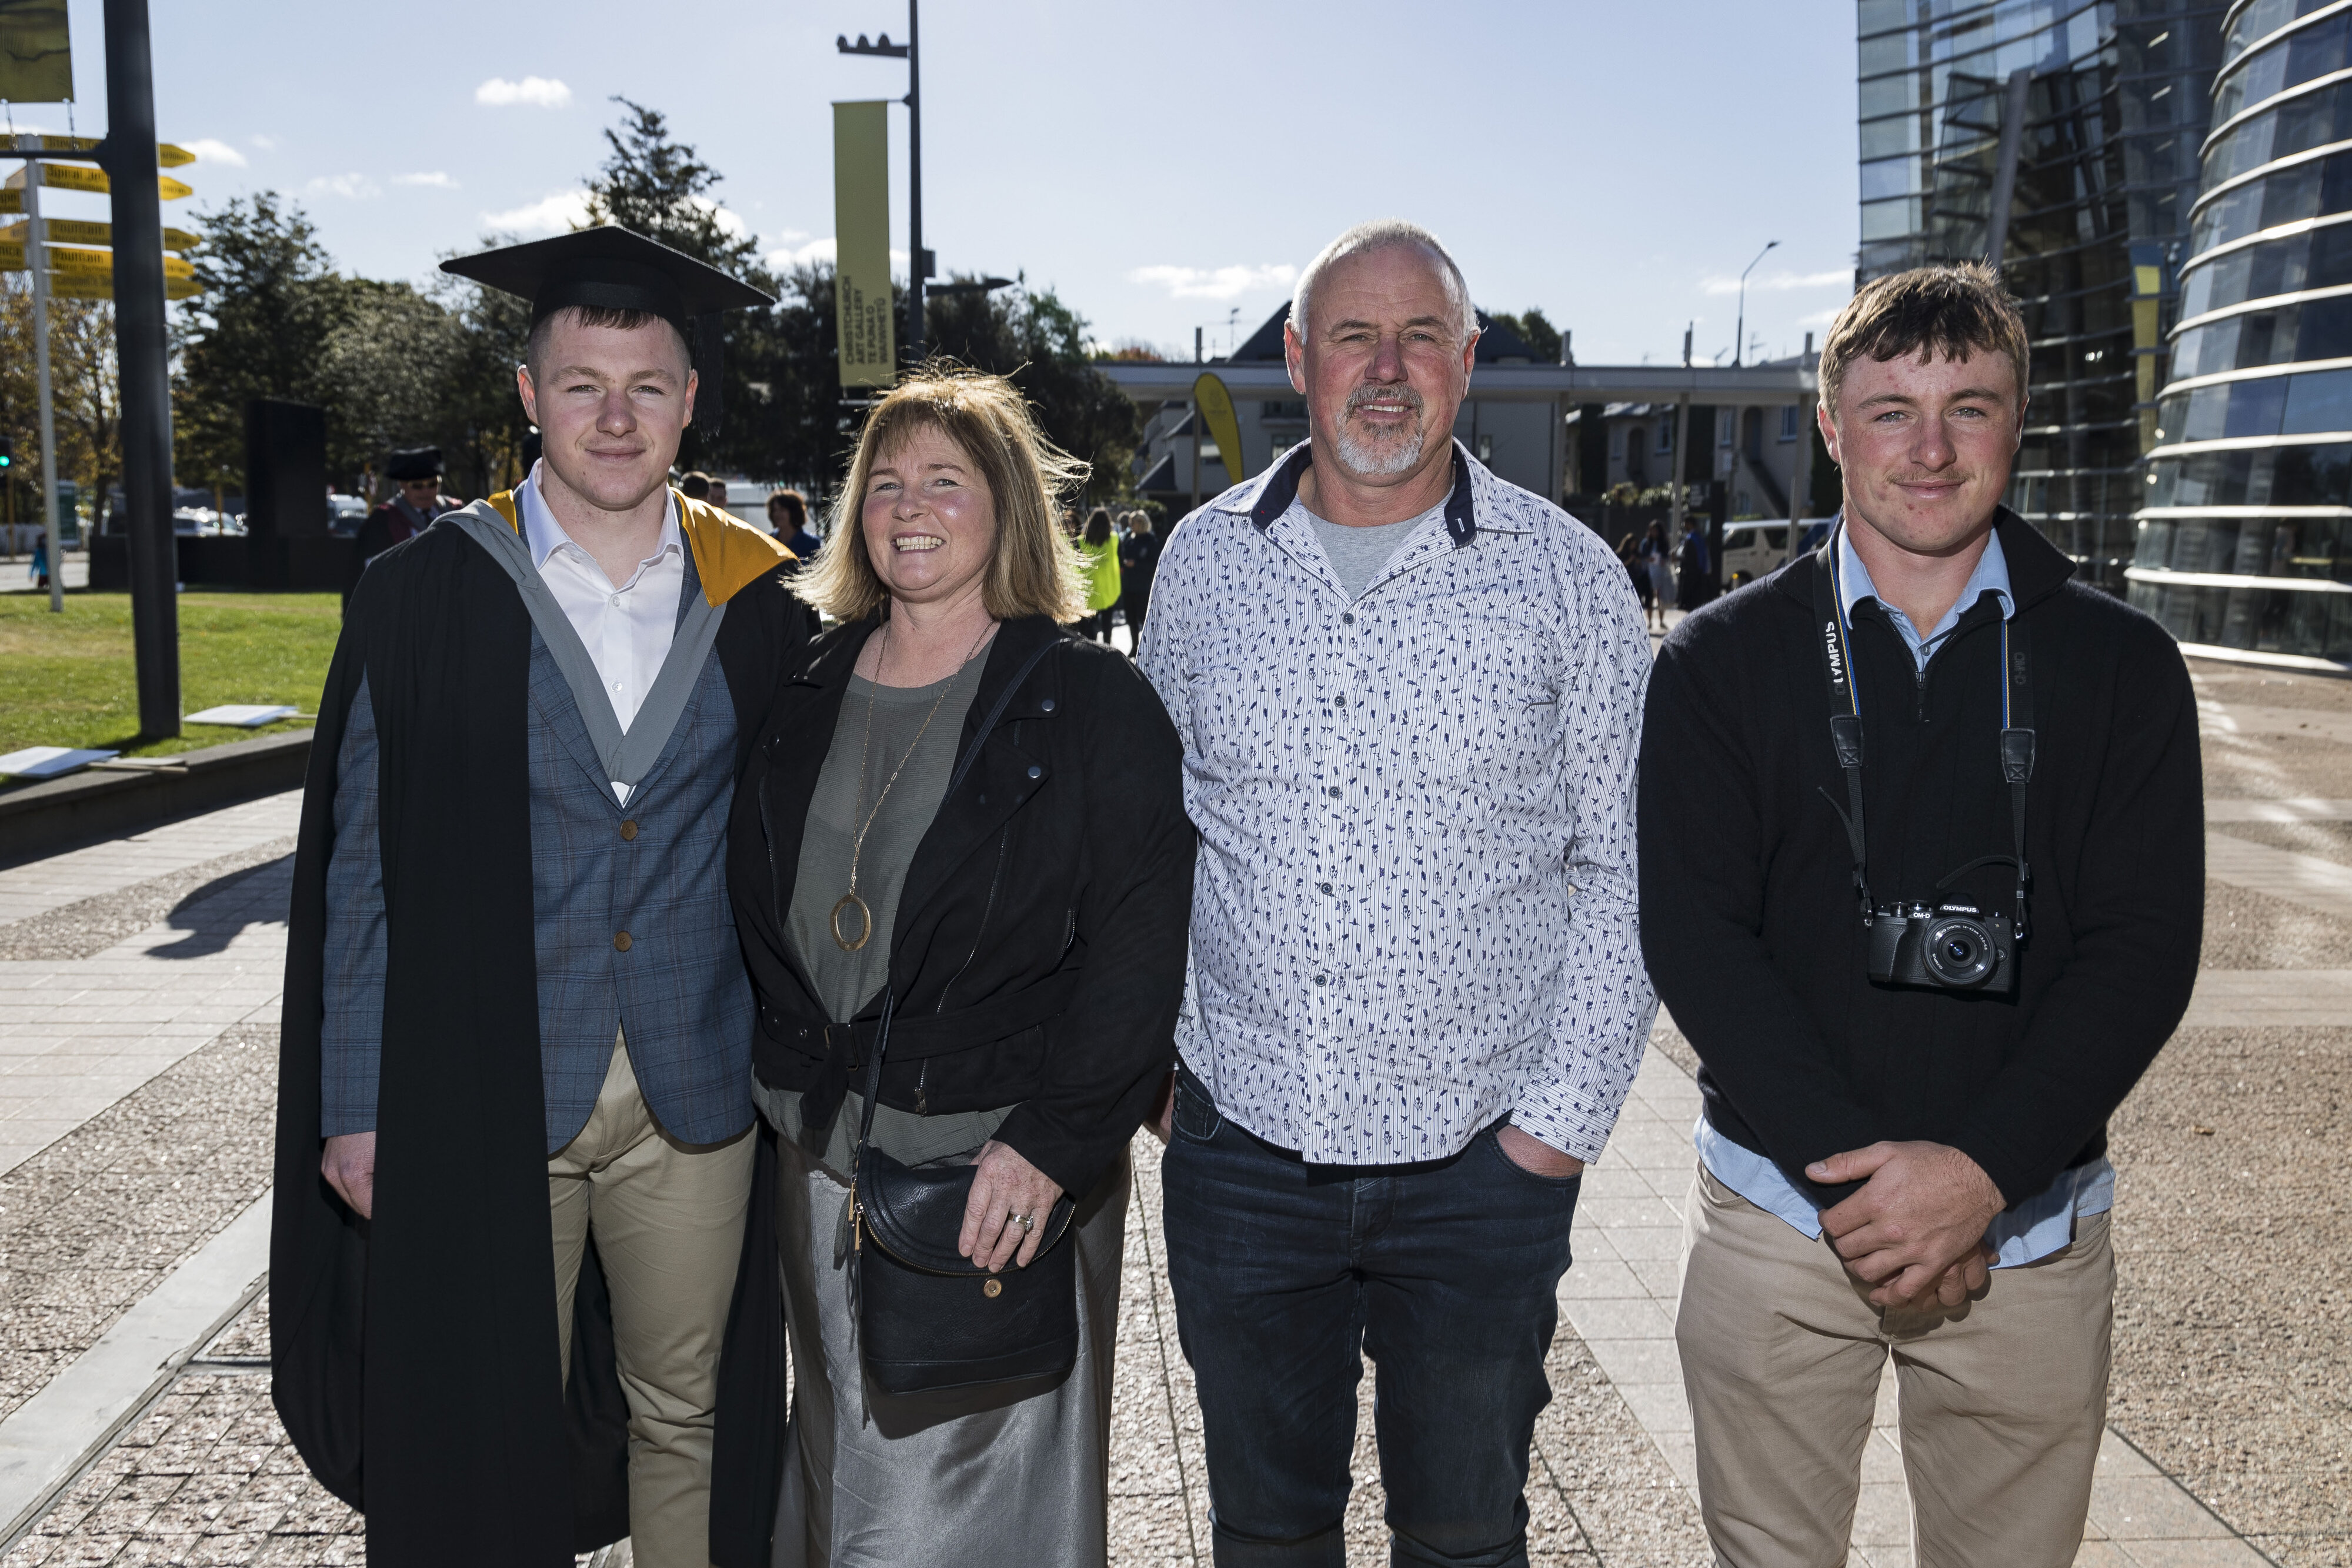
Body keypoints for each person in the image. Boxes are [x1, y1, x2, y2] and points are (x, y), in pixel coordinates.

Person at [1640, 263, 2203, 1567]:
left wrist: (1977, 1175)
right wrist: (1866, 1191)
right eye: (1890, 409)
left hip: (2029, 1231)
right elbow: (1695, 939)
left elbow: (2143, 953)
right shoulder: (1718, 662)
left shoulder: (2121, 667)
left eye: (1970, 404)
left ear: (2020, 421)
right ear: (1831, 427)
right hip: (1781, 1224)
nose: (1930, 448)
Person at [270, 225, 814, 1568]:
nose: (615, 417)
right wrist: (353, 1104)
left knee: (686, 1409)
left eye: (646, 385)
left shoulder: (765, 605)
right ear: (529, 394)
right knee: (477, 1416)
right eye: (583, 383)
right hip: (482, 1082)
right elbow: (360, 873)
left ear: (690, 399)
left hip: (695, 1084)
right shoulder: (424, 596)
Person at [1137, 218, 1654, 1567]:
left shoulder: (1569, 578)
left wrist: (1554, 1127)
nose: (1386, 365)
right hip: (1242, 1153)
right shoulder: (1201, 562)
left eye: (1420, 334)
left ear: (1468, 362)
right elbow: (1141, 833)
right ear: (1297, 361)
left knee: (1466, 1534)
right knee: (1264, 1528)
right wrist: (1153, 1063)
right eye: (1352, 335)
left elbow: (1624, 866)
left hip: (1480, 1170)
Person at [708, 366, 1193, 1566]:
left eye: (945, 481)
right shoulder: (804, 678)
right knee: (838, 1484)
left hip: (994, 1180)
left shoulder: (1086, 700)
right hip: (816, 1169)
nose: (909, 506)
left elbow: (1142, 942)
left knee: (955, 1526)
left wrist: (1055, 1141)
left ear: (1007, 510)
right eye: (885, 482)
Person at [349, 448, 458, 603]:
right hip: (406, 605)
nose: (426, 491)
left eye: (433, 484)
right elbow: (373, 572)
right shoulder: (383, 520)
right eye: (417, 485)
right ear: (402, 484)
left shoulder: (457, 512)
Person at [1075, 504, 1122, 642]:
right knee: (1107, 623)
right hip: (1109, 589)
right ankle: (1107, 647)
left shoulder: (1081, 542)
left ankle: (1092, 649)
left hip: (1089, 591)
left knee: (1090, 626)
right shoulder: (1114, 539)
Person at [1117, 508, 1162, 643]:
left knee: (1144, 620)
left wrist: (1136, 564)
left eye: (1134, 523)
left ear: (1141, 523)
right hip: (1129, 586)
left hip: (1144, 588)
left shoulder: (1151, 541)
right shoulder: (1129, 540)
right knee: (1131, 619)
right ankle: (1134, 646)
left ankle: (1147, 645)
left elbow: (1155, 565)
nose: (1131, 526)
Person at [768, 486, 823, 560]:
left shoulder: (812, 543)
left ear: (794, 512)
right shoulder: (768, 542)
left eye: (782, 510)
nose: (777, 514)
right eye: (775, 510)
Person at [1640, 519, 1674, 630]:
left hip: (1661, 573)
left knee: (1661, 597)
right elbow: (1641, 556)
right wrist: (1647, 559)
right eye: (1652, 531)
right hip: (1649, 573)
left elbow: (1667, 557)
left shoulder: (1664, 543)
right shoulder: (1646, 543)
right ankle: (1649, 621)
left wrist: (1664, 560)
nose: (1654, 533)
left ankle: (1661, 621)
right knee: (1649, 598)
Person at [1675, 522, 1710, 612]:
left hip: (1691, 572)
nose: (1684, 526)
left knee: (1690, 599)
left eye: (1686, 524)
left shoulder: (1691, 538)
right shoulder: (1699, 537)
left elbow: (1688, 557)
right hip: (1700, 571)